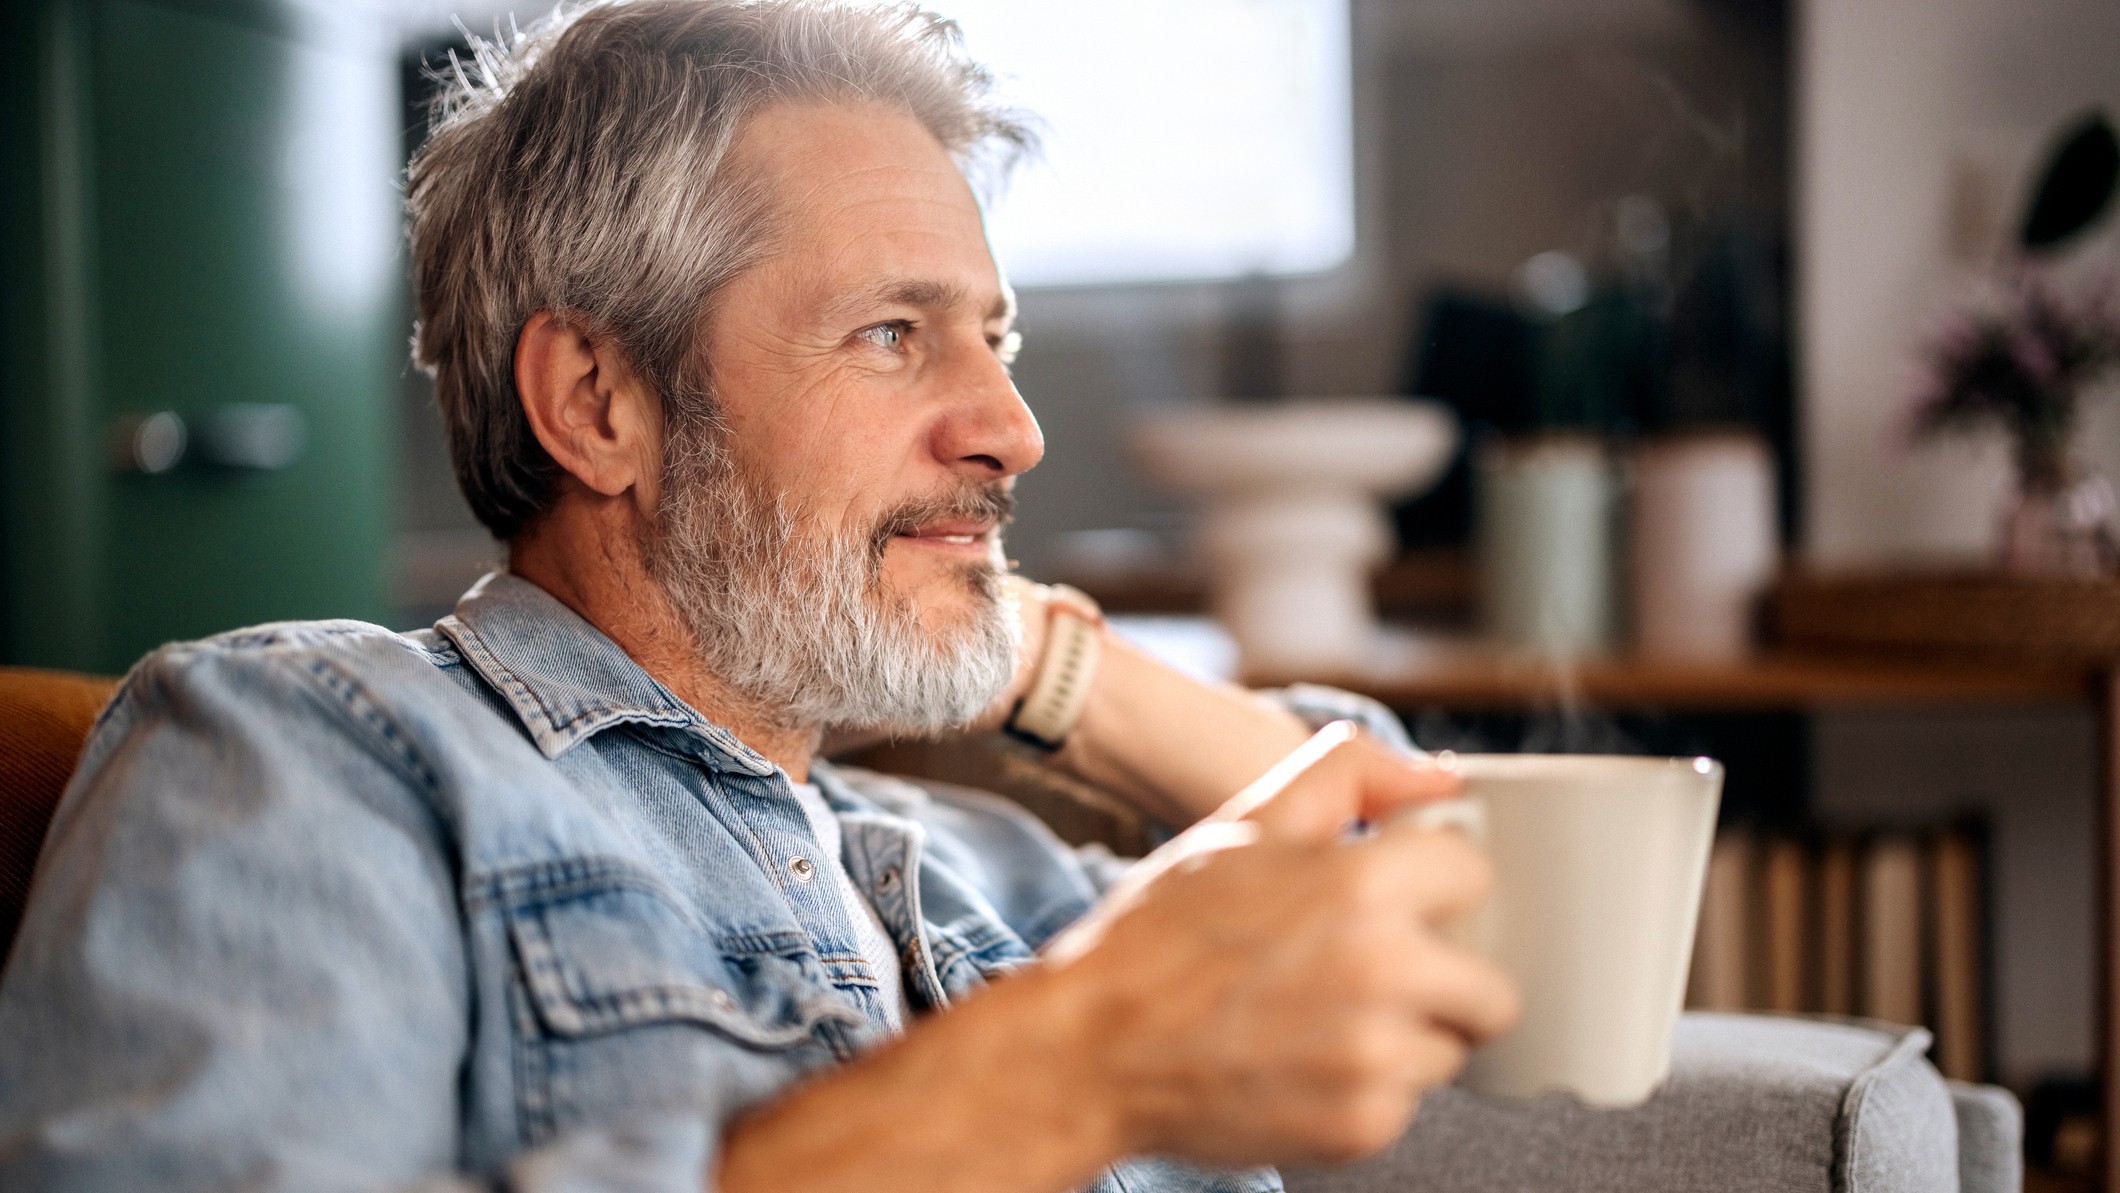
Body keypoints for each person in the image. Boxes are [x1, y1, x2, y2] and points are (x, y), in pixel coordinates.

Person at [0, 2, 1518, 1190]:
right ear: (600, 403)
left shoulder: (991, 870)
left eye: (995, 336)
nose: (1013, 427)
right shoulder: (313, 751)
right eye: (887, 334)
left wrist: (1048, 674)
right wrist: (1067, 1067)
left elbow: (1476, 895)